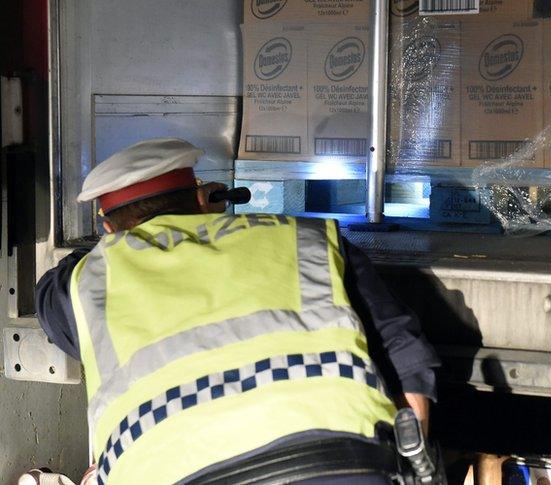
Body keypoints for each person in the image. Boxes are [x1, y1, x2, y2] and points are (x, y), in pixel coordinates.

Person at [34, 138, 440, 484]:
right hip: (342, 463)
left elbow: (49, 292)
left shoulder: (87, 281)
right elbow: (402, 351)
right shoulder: (307, 239)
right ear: (201, 198)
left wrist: (120, 242)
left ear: (108, 230)